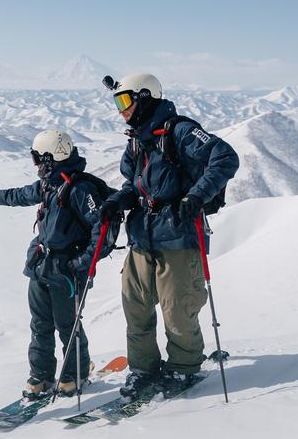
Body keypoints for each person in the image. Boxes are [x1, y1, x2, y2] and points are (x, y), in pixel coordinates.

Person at [98, 73, 239, 398]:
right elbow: (134, 185)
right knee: (135, 306)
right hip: (142, 236)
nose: (120, 109)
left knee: (177, 308)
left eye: (124, 100)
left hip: (178, 235)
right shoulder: (137, 140)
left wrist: (197, 197)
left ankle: (184, 368)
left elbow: (225, 157)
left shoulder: (181, 131)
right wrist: (117, 201)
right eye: (117, 102)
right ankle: (143, 369)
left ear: (144, 97)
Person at [0, 130, 107, 398]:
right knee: (40, 324)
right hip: (42, 265)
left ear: (50, 157)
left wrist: (82, 263)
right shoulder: (50, 184)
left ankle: (75, 375)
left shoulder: (80, 189)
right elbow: (20, 195)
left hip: (67, 270)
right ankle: (41, 377)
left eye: (36, 158)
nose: (35, 164)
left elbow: (101, 229)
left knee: (67, 325)